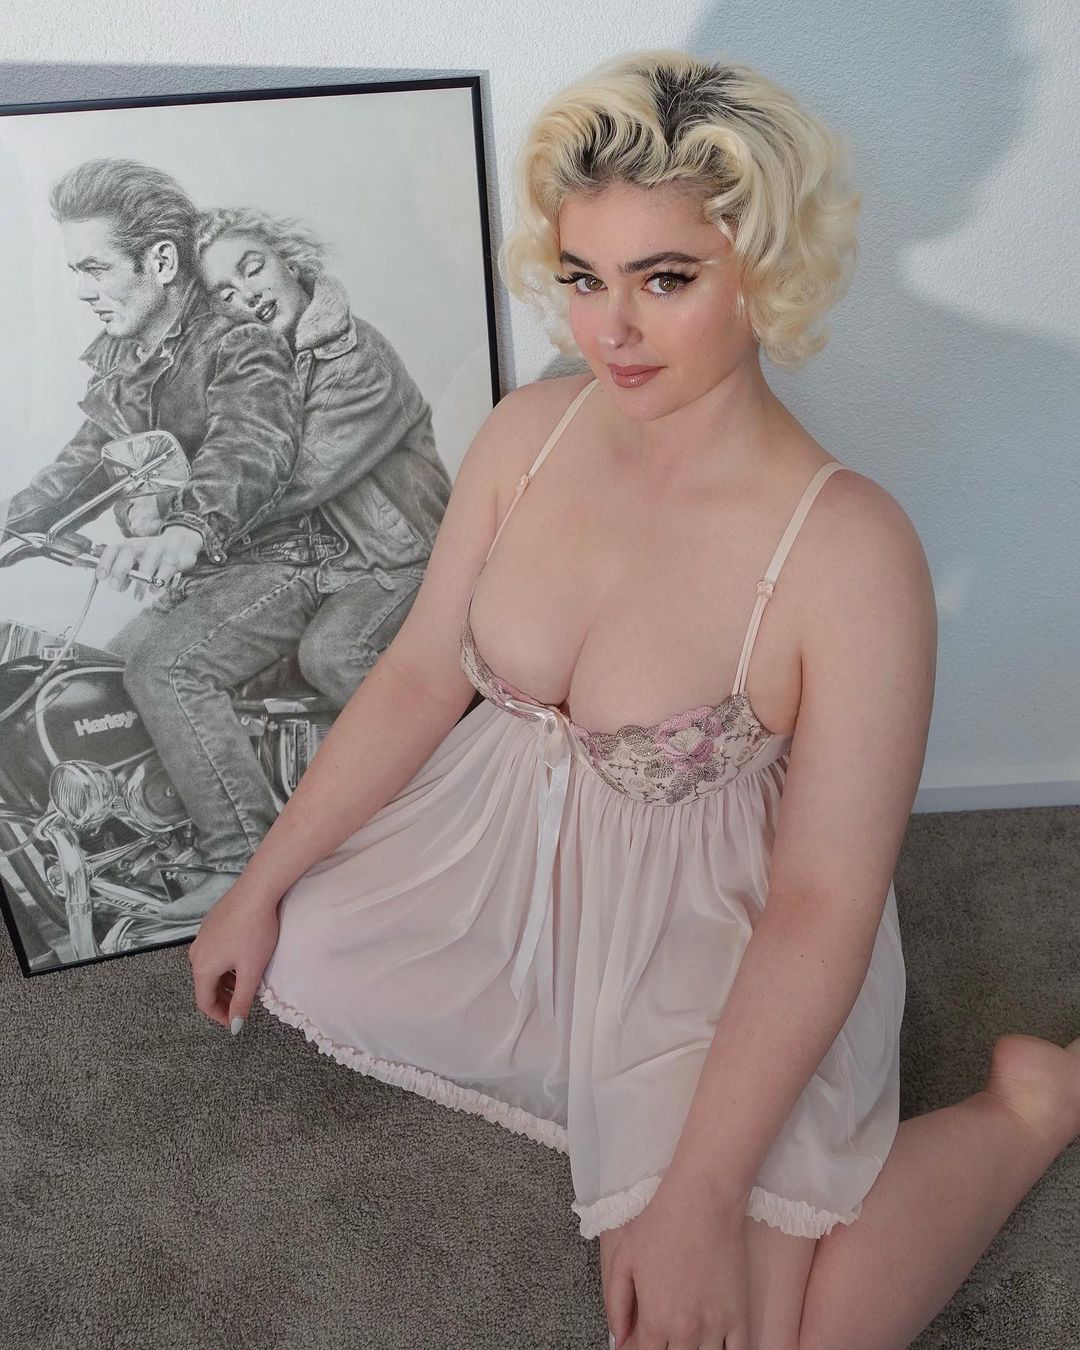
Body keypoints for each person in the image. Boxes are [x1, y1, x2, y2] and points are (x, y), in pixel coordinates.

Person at [187, 50, 1080, 1350]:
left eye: (665, 279)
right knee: (306, 941)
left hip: (705, 936)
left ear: (763, 269)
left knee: (777, 1334)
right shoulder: (526, 434)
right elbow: (423, 674)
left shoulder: (847, 551)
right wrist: (258, 883)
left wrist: (700, 1199)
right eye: (583, 278)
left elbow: (823, 896)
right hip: (501, 870)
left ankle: (1029, 1108)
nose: (610, 331)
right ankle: (601, 1089)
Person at [0, 157, 306, 919]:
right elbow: (78, 468)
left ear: (161, 262)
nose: (83, 288)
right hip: (211, 577)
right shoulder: (128, 367)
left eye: (96, 267)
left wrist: (188, 526)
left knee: (164, 668)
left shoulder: (238, 345)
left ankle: (242, 865)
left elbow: (250, 444)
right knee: (93, 676)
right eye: (76, 270)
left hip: (283, 563)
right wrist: (9, 524)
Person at [192, 207, 452, 711]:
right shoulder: (262, 368)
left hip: (399, 565)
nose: (247, 295)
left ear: (289, 262)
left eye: (253, 269)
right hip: (322, 570)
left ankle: (437, 754)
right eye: (226, 295)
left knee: (331, 653)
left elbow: (295, 479)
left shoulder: (357, 357)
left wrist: (191, 518)